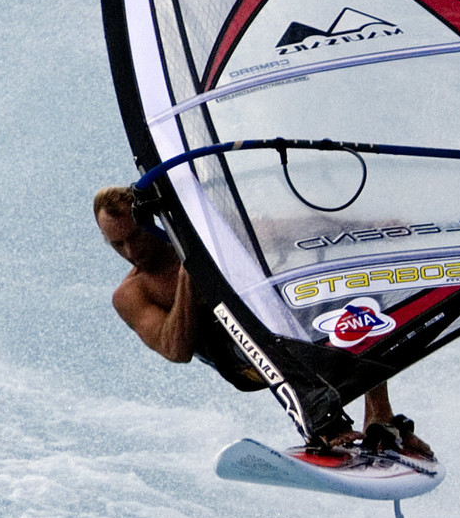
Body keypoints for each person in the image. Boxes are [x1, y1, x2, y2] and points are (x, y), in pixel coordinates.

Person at [93, 185, 433, 458]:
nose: (129, 250)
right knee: (261, 335)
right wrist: (190, 270)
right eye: (116, 243)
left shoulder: (211, 233)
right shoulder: (131, 293)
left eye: (135, 236)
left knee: (357, 305)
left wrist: (370, 227)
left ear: (151, 221)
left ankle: (380, 416)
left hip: (273, 318)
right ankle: (324, 427)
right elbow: (175, 349)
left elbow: (289, 229)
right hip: (237, 356)